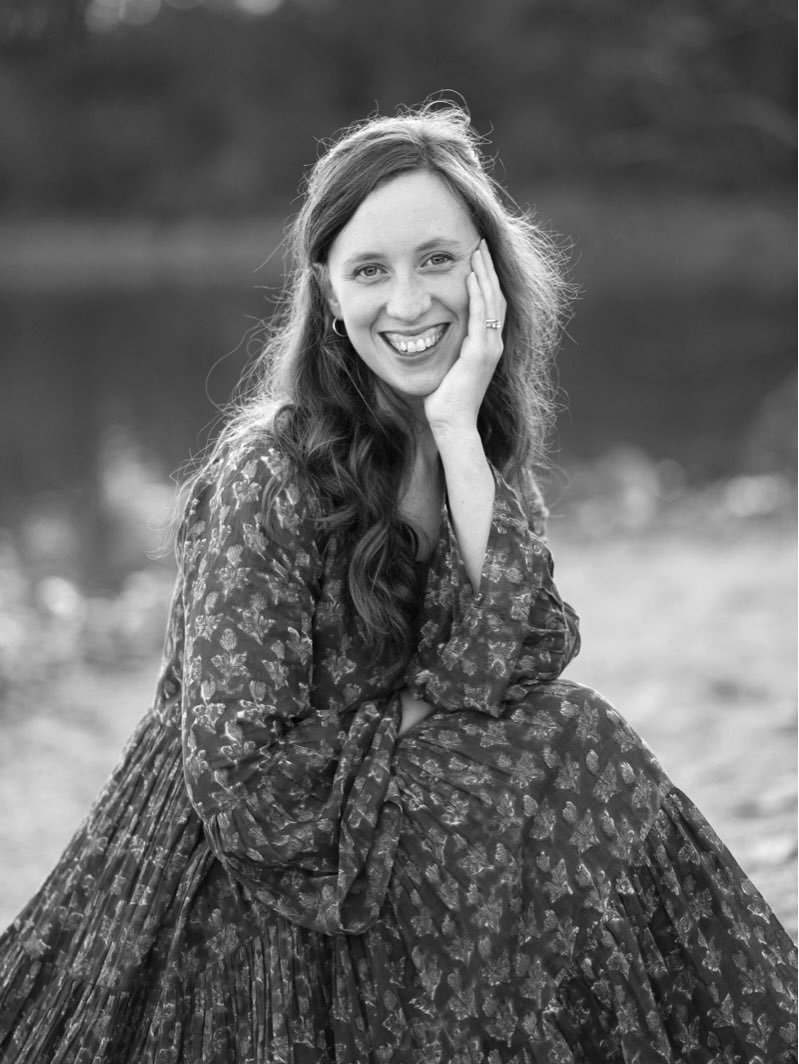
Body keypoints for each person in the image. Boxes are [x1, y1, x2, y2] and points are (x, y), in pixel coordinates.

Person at [0, 103, 795, 1064]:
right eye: (370, 270)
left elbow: (509, 667)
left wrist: (460, 439)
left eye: (437, 259)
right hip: (245, 870)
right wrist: (412, 725)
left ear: (487, 273)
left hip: (394, 823)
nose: (409, 303)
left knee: (577, 739)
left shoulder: (472, 444)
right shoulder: (268, 474)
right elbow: (241, 779)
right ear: (328, 295)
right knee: (570, 745)